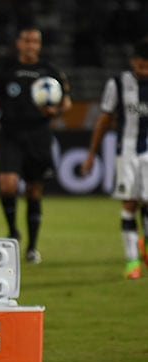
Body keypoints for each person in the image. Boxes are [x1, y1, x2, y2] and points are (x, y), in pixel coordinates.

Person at [0, 26, 72, 263]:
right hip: (10, 134)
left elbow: (66, 103)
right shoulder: (6, 69)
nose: (31, 45)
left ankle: (32, 247)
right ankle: (13, 230)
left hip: (38, 136)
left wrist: (57, 109)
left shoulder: (50, 71)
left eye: (35, 41)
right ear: (19, 42)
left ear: (40, 45)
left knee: (34, 190)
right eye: (27, 40)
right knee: (7, 184)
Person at [81, 37, 148, 279]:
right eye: (140, 64)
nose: (144, 69)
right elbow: (103, 119)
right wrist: (91, 154)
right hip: (127, 150)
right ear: (132, 62)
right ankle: (132, 262)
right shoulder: (118, 83)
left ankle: (145, 246)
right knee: (129, 203)